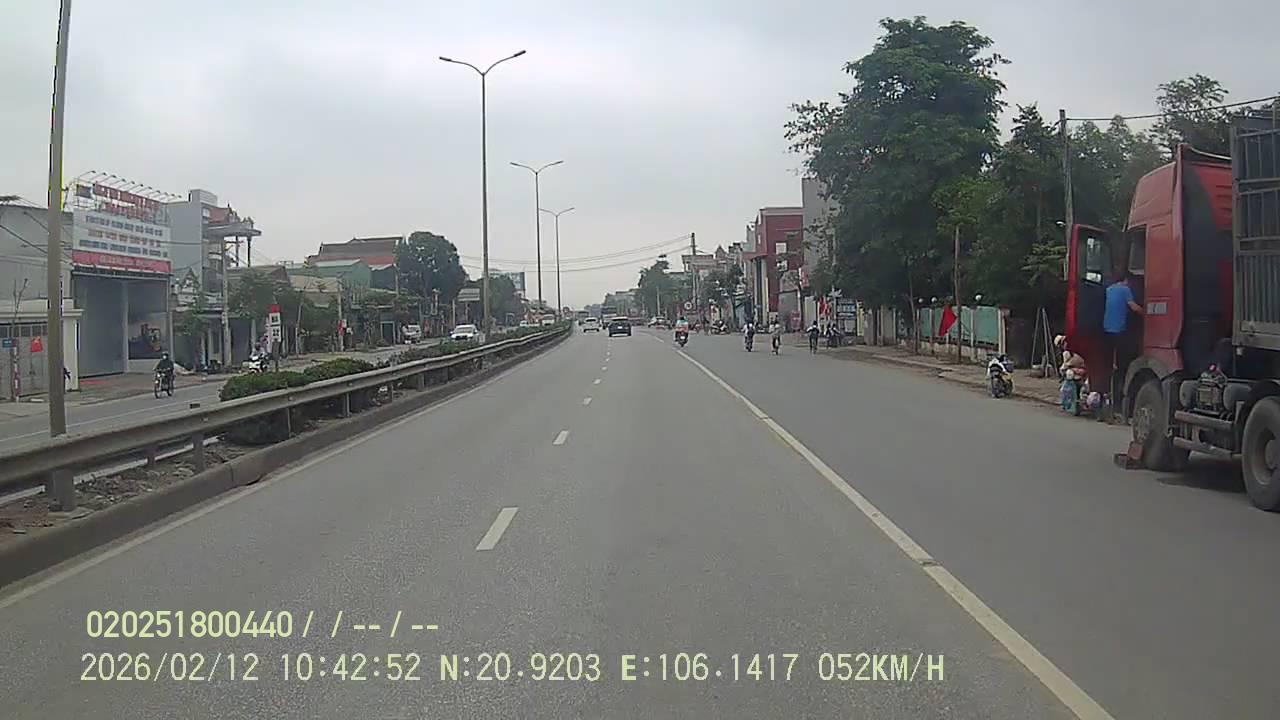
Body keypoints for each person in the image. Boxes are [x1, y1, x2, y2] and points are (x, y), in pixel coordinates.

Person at [1103, 272, 1144, 409]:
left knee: (1111, 364)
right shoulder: (1125, 290)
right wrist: (1147, 313)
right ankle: (1118, 398)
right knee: (1122, 365)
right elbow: (1133, 306)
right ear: (1126, 280)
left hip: (1107, 329)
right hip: (1119, 331)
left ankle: (1108, 395)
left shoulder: (1109, 289)